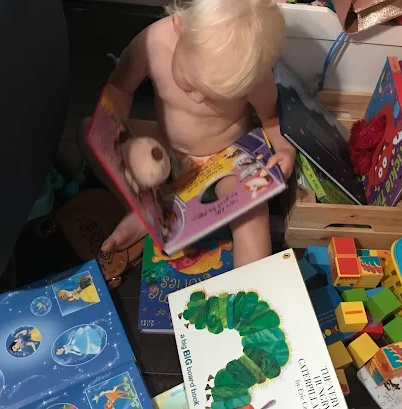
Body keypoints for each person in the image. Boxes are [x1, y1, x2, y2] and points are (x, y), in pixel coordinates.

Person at [98, 0, 295, 268]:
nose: (199, 98)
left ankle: (250, 288)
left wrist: (284, 149)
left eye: (218, 97)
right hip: (166, 144)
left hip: (225, 155)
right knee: (90, 133)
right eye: (190, 84)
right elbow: (120, 89)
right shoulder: (153, 42)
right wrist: (115, 130)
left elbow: (271, 118)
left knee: (253, 214)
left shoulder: (252, 74)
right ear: (180, 27)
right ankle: (144, 212)